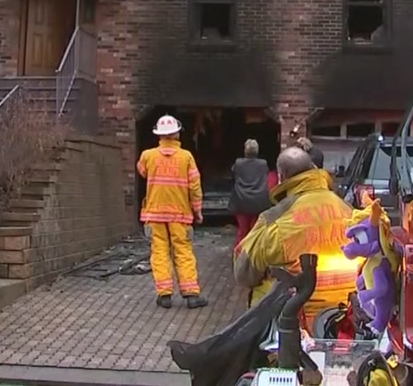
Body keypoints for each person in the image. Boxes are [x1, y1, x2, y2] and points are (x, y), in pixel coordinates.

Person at [234, 146, 357, 324]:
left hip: (293, 319)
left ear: (281, 177)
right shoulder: (349, 211)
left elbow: (244, 274)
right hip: (344, 316)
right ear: (314, 169)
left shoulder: (274, 220)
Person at [138, 114, 208, 310]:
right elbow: (195, 187)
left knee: (159, 253)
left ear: (159, 135)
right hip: (180, 214)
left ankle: (164, 294)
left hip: (154, 214)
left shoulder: (147, 155)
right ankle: (192, 295)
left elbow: (142, 171)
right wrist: (198, 211)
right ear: (177, 133)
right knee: (183, 252)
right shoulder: (186, 157)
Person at [229, 139, 272, 251]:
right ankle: (253, 254)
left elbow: (233, 174)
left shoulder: (238, 163)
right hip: (258, 202)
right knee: (255, 230)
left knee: (242, 231)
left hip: (241, 201)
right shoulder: (263, 164)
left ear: (245, 150)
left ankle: (239, 254)